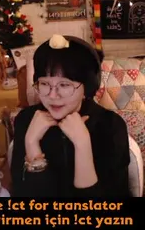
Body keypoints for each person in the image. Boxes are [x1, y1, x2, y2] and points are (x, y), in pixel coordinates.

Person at [11, 34, 130, 198]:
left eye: (65, 85)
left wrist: (82, 145)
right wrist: (31, 143)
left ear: (87, 87)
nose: (52, 96)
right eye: (44, 83)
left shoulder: (110, 125)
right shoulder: (25, 120)